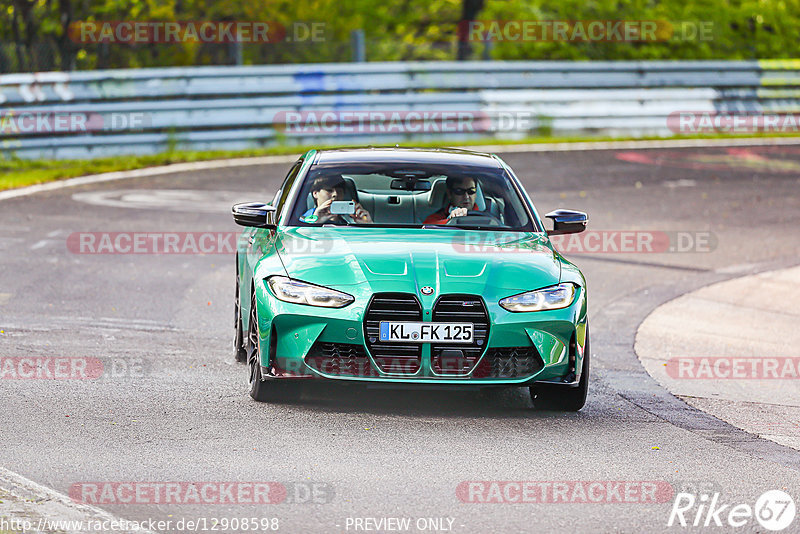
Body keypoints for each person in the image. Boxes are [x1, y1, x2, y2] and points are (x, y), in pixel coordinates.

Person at [300, 176, 372, 224]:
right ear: (315, 194)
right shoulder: (305, 219)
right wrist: (315, 222)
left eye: (340, 191)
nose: (335, 194)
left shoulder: (352, 219)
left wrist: (367, 225)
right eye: (329, 190)